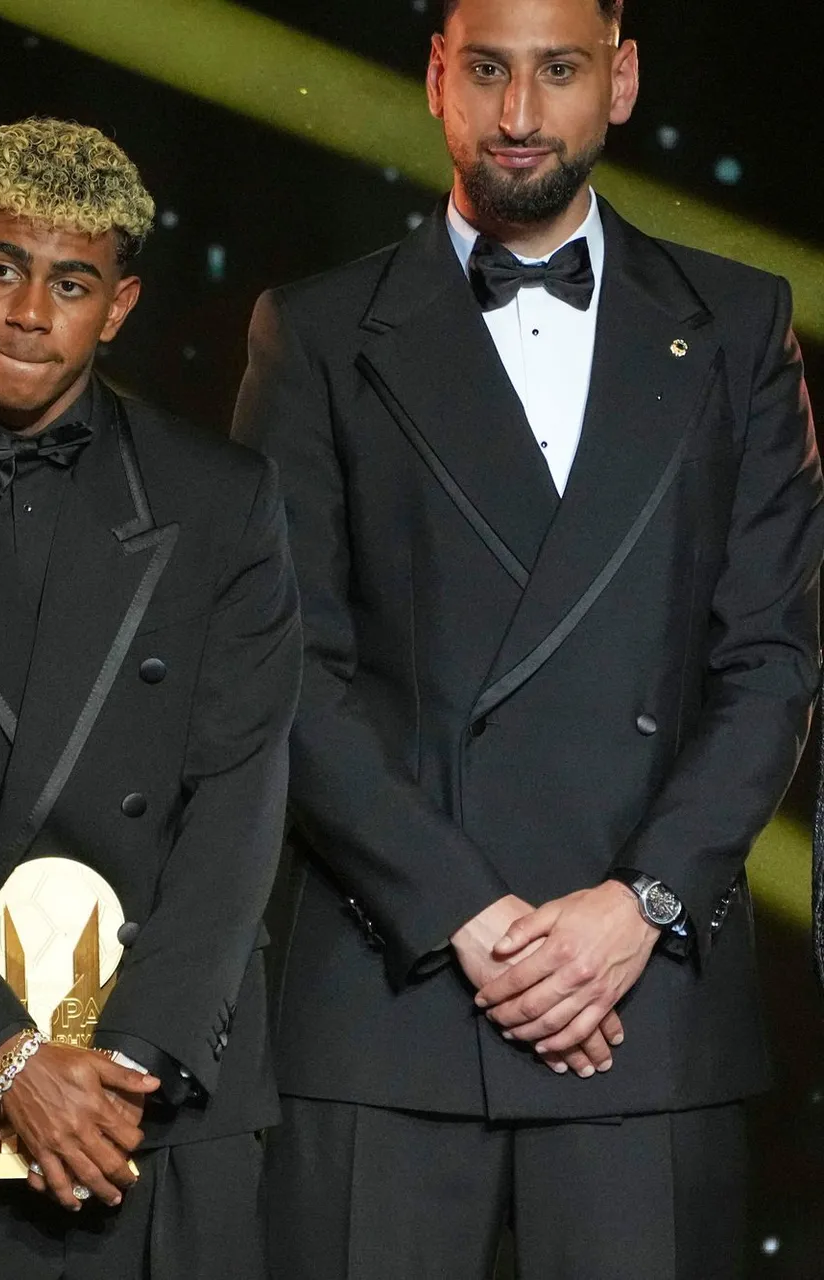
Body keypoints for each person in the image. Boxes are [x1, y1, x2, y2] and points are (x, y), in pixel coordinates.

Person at [232, 1, 823, 1274]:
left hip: (645, 1005)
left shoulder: (736, 323)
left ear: (621, 79)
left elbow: (771, 660)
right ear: (435, 77)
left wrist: (639, 903)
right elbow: (285, 666)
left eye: (558, 71)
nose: (517, 114)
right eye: (488, 70)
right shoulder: (317, 331)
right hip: (392, 1000)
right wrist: (467, 913)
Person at [0, 118, 298, 1280]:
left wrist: (123, 1068)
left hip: (157, 1103)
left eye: (71, 282)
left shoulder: (222, 499)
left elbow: (238, 805)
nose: (29, 312)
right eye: (4, 268)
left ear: (121, 304)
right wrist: (2, 1054)